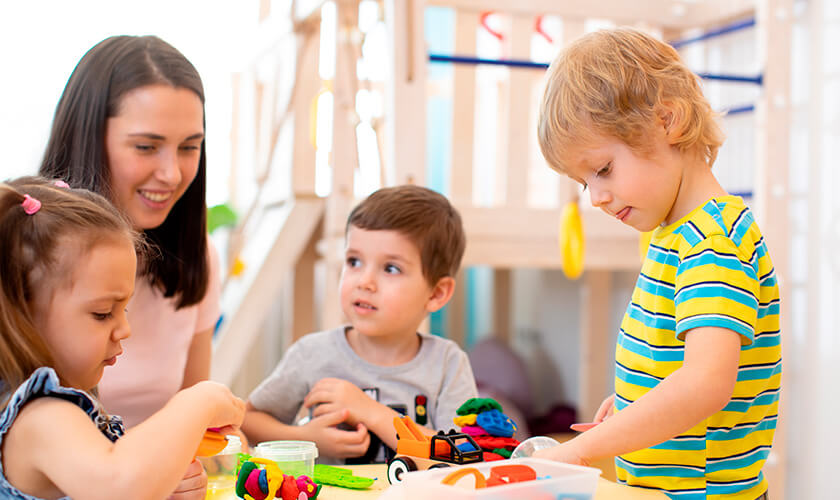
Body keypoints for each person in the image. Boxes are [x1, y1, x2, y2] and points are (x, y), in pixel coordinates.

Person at [534, 28, 780, 500]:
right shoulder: (671, 235)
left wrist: (583, 448)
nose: (598, 197)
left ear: (668, 120)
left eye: (602, 169)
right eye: (585, 182)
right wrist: (633, 404)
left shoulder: (716, 241)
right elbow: (676, 365)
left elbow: (706, 384)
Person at [0, 177, 245, 499]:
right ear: (22, 313)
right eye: (102, 313)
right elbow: (119, 485)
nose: (124, 329)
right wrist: (197, 401)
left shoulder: (61, 410)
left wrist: (160, 486)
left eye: (124, 310)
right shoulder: (39, 416)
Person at [39, 35, 220, 432]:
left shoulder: (197, 254)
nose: (172, 174)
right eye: (145, 147)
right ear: (88, 136)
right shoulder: (27, 250)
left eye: (189, 148)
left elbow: (198, 425)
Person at [242, 185, 478, 463]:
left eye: (391, 268)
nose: (364, 282)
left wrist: (371, 412)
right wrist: (307, 438)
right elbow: (248, 419)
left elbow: (463, 453)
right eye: (354, 261)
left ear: (436, 293)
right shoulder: (312, 354)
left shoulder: (447, 364)